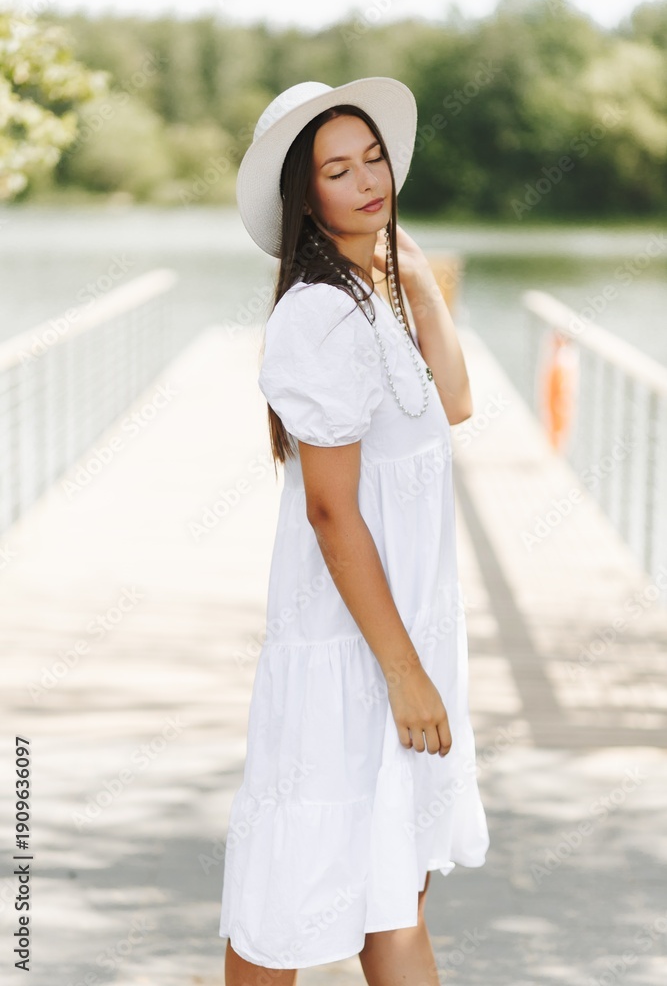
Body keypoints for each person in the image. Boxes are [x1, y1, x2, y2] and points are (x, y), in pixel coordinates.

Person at [219, 76, 490, 986]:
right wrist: (404, 674)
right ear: (306, 196)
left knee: (395, 891)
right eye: (338, 170)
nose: (368, 180)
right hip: (350, 651)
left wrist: (414, 279)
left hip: (400, 634)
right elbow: (329, 511)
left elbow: (455, 402)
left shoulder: (372, 296)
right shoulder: (319, 313)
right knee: (287, 900)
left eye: (373, 158)